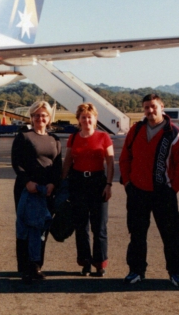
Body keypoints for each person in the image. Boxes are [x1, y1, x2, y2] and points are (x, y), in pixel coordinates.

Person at [119, 93, 179, 288]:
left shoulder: (175, 134)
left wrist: (172, 189)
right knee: (137, 235)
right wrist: (127, 184)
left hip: (163, 193)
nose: (150, 111)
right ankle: (136, 271)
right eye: (146, 107)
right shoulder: (136, 130)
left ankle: (176, 273)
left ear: (162, 107)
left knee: (171, 235)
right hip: (137, 192)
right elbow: (125, 159)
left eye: (153, 107)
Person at [11, 101, 62, 283]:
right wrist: (27, 182)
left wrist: (53, 184)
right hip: (27, 188)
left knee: (42, 229)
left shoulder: (54, 139)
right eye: (37, 115)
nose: (40, 118)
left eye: (44, 115)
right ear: (31, 117)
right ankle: (25, 267)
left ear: (49, 118)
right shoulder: (24, 137)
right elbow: (17, 163)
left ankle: (37, 264)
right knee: (26, 228)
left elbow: (57, 166)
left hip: (46, 189)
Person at [61, 103, 114, 277]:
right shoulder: (73, 138)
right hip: (78, 183)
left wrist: (108, 184)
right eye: (83, 117)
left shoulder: (104, 137)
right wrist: (61, 182)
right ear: (78, 120)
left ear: (95, 119)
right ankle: (85, 262)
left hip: (98, 182)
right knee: (81, 226)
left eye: (90, 116)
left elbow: (110, 162)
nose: (87, 120)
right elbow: (68, 161)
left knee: (99, 227)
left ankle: (100, 263)